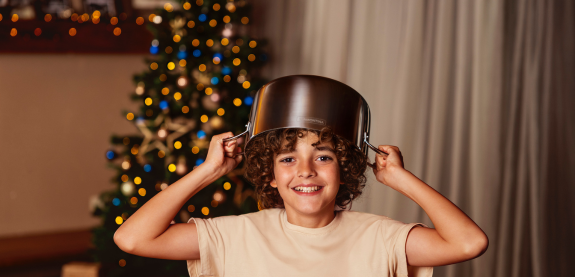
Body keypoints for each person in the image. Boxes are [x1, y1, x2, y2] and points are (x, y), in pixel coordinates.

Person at [114, 127, 488, 277]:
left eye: (323, 157)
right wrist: (208, 171)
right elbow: (133, 239)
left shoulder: (381, 237)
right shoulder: (233, 235)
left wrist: (400, 178)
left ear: (343, 171)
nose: (306, 171)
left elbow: (469, 243)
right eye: (288, 159)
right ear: (271, 177)